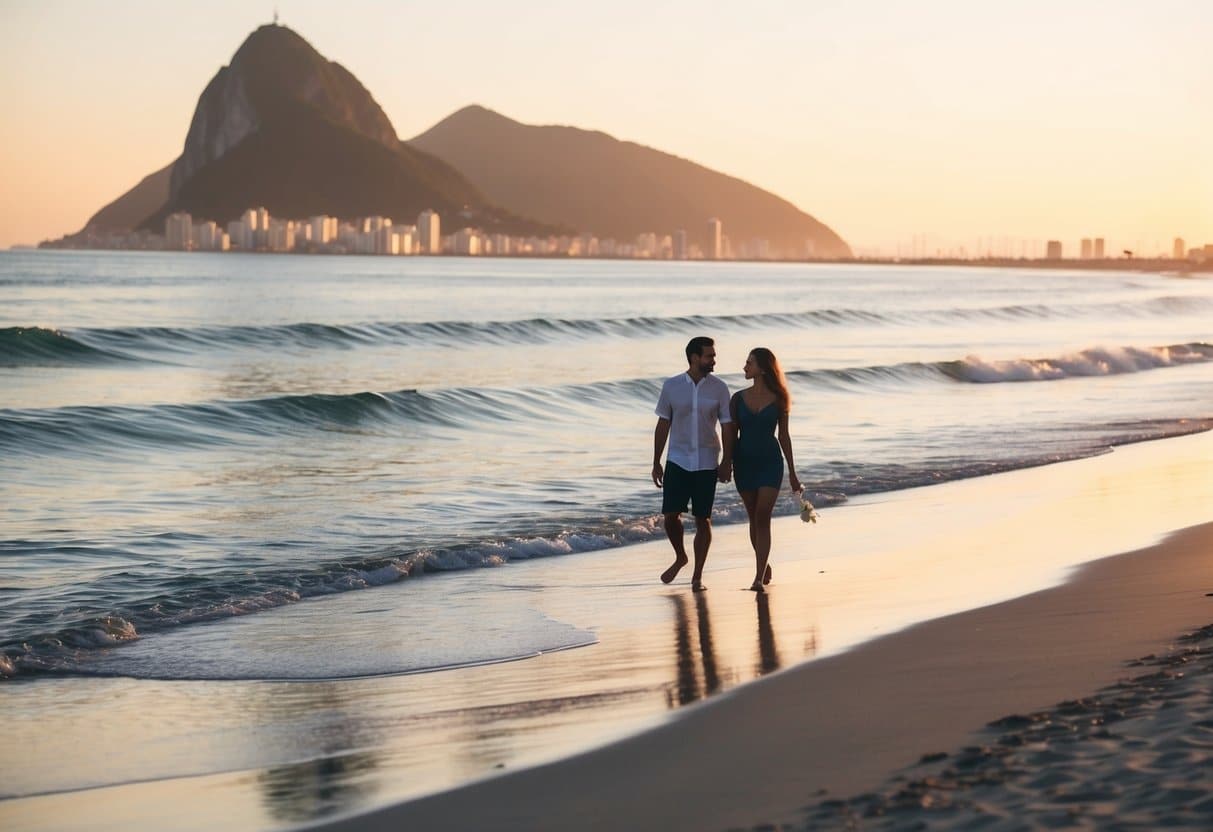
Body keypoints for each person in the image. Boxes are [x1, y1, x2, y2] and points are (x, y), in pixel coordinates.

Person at [652, 336, 734, 591]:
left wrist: (727, 462)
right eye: (709, 356)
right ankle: (680, 556)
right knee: (669, 516)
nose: (713, 360)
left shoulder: (719, 388)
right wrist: (656, 461)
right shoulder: (672, 386)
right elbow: (663, 423)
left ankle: (697, 575)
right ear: (694, 357)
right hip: (677, 458)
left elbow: (728, 426)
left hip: (708, 460)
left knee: (703, 519)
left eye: (713, 355)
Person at [722, 347, 801, 591]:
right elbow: (730, 435)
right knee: (753, 517)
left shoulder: (780, 399)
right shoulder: (737, 399)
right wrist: (727, 462)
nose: (745, 367)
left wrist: (793, 473)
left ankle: (757, 578)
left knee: (762, 516)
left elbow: (784, 437)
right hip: (744, 463)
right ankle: (763, 564)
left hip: (770, 462)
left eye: (749, 363)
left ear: (763, 368)